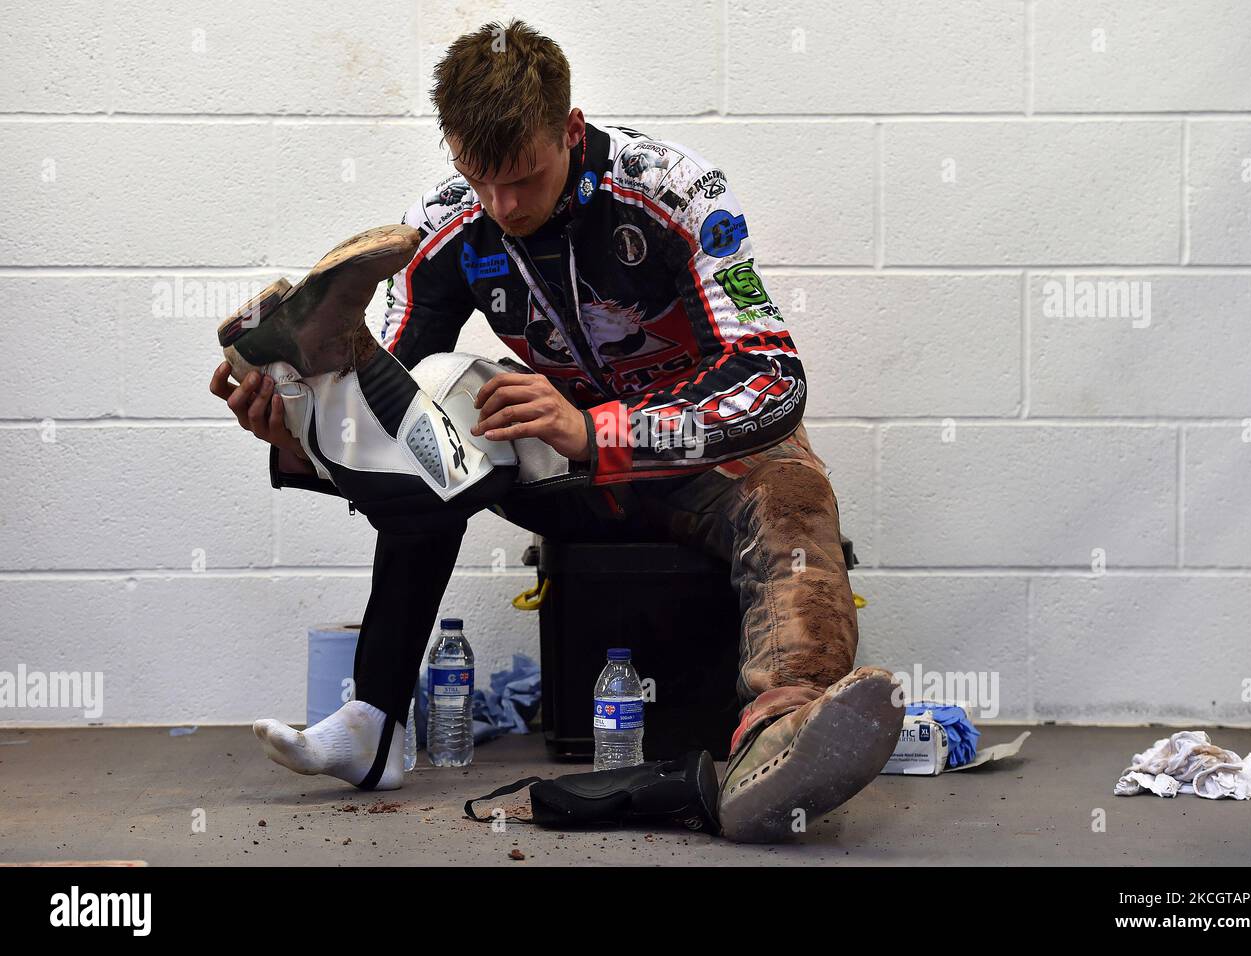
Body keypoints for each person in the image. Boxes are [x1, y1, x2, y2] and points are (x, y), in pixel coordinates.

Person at [208, 18, 902, 843]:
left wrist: (600, 429)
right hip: (570, 473)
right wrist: (297, 430)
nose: (503, 206)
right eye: (481, 179)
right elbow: (388, 424)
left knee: (795, 485)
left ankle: (778, 733)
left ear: (571, 131)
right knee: (435, 409)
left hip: (691, 460)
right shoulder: (446, 222)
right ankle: (374, 727)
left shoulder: (679, 190)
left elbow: (773, 378)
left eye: (525, 179)